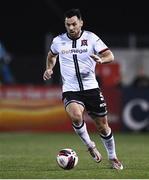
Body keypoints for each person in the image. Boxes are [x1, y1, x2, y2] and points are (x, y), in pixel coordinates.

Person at [43, 8, 123, 170]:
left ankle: (113, 157)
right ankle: (90, 145)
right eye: (67, 25)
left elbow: (110, 56)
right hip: (71, 89)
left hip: (91, 89)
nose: (71, 28)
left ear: (81, 22)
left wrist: (100, 59)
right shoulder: (58, 41)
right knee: (76, 116)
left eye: (74, 24)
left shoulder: (91, 38)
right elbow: (51, 56)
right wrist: (49, 68)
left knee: (103, 126)